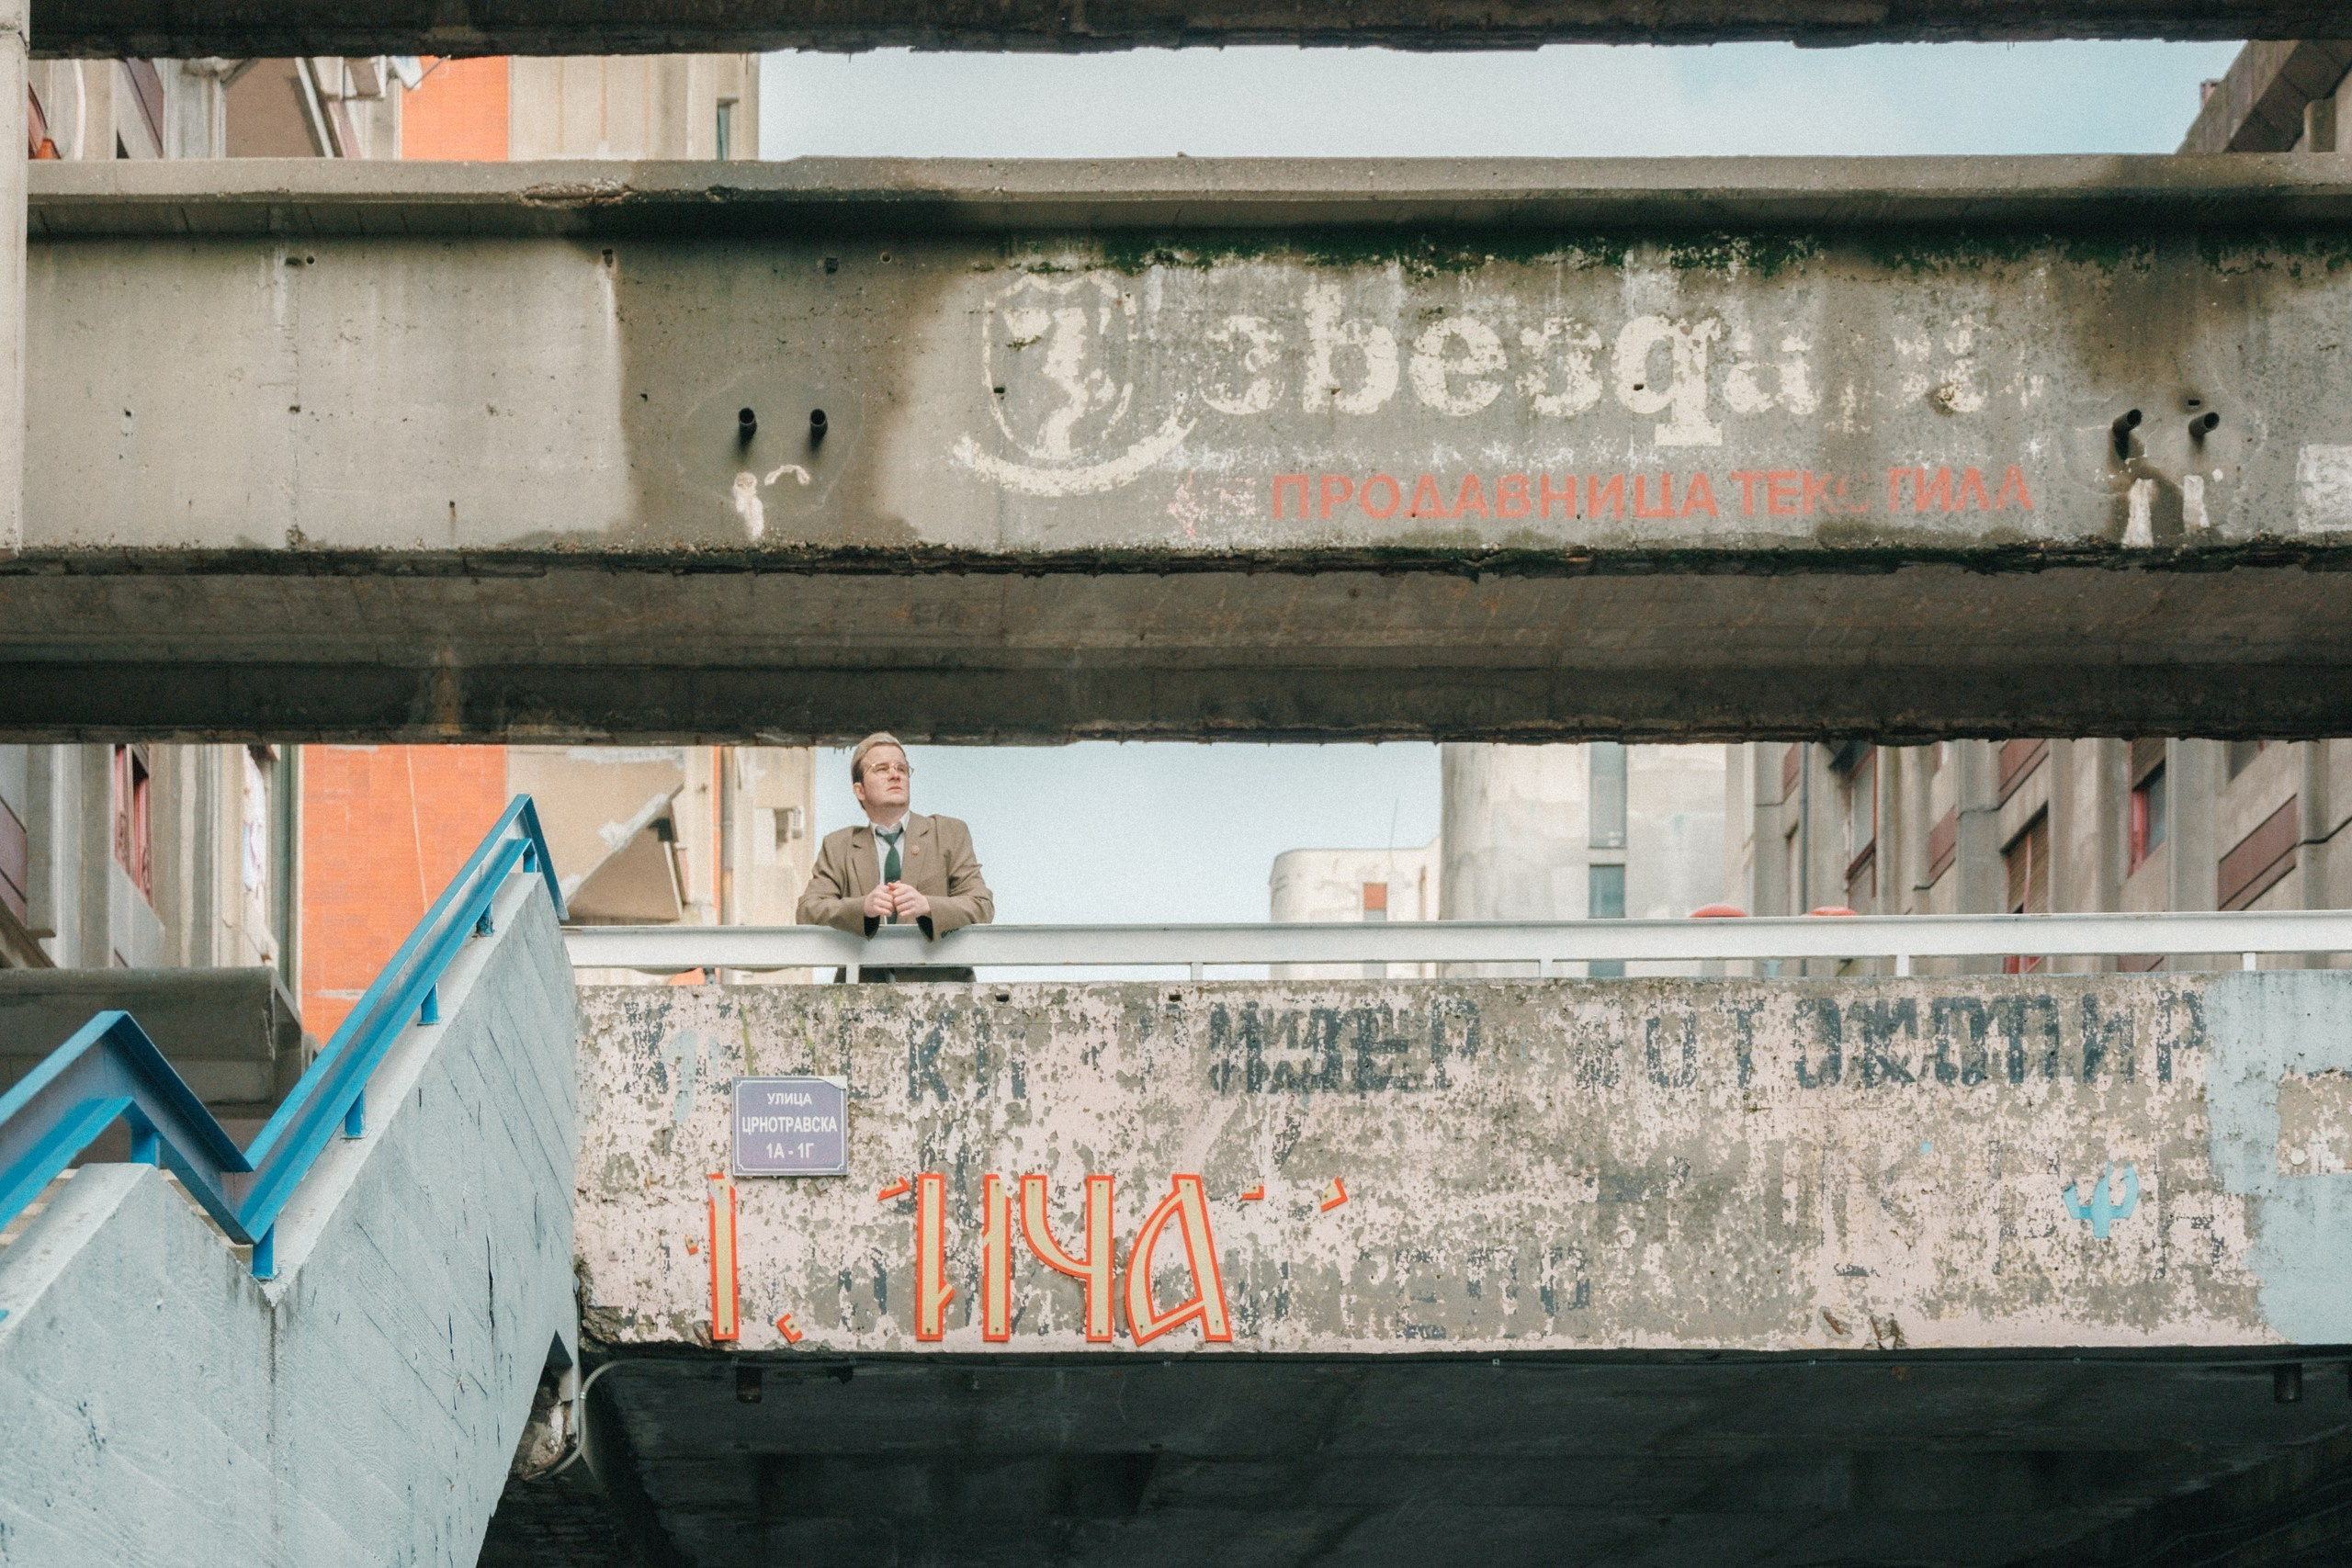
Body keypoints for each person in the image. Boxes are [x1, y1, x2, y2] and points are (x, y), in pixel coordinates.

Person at [796, 733, 993, 981]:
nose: (895, 774)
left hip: (940, 992)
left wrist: (928, 906)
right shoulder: (838, 846)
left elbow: (981, 905)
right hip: (863, 995)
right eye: (881, 768)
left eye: (901, 767)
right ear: (859, 789)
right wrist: (862, 908)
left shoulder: (948, 833)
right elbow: (807, 910)